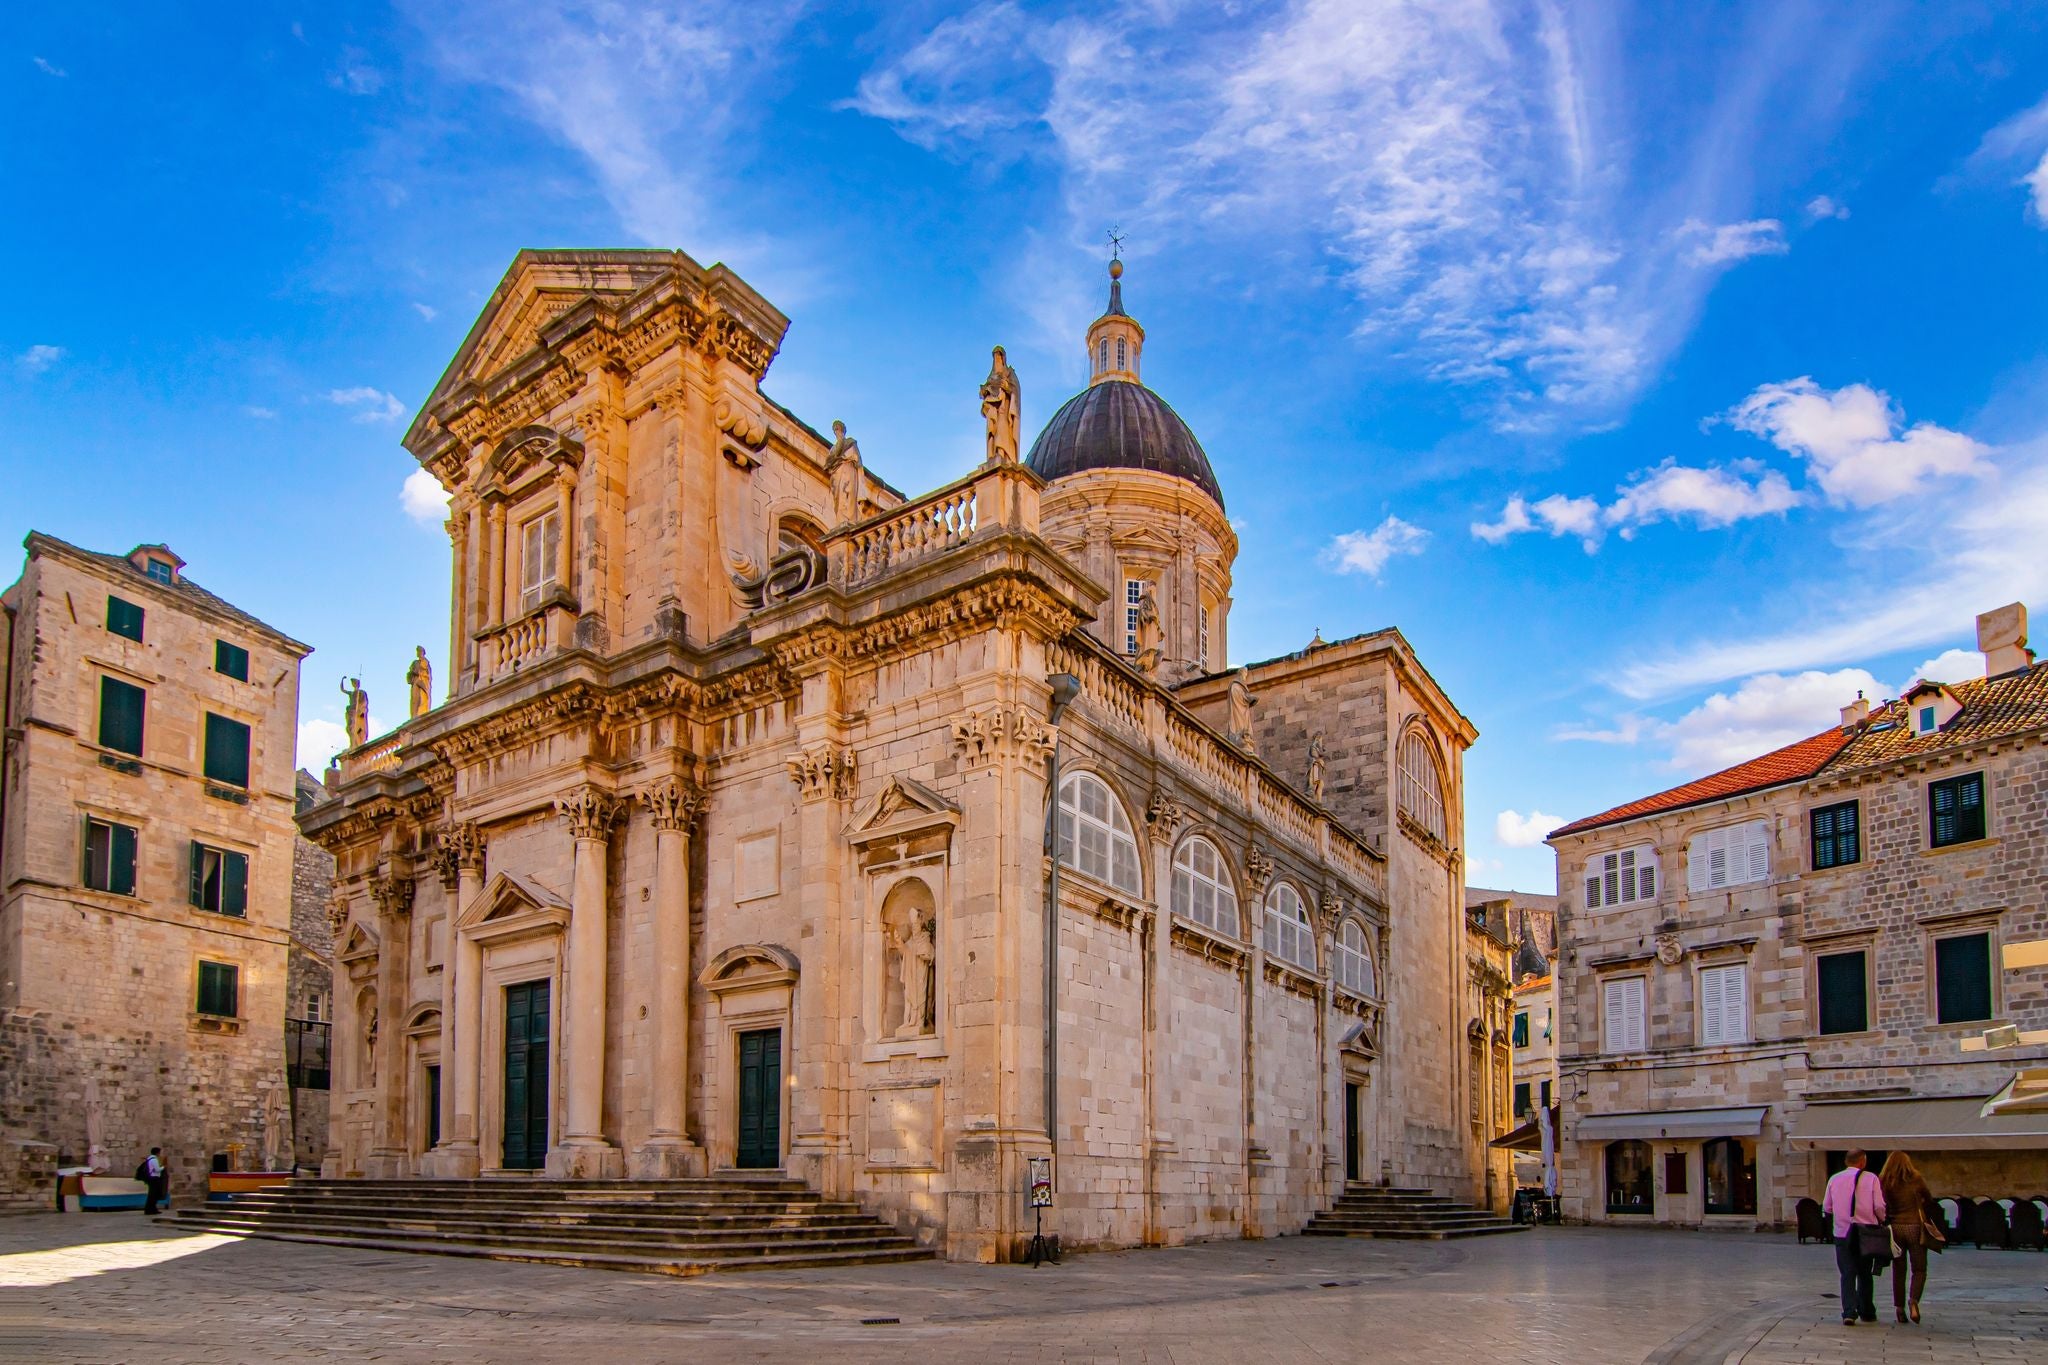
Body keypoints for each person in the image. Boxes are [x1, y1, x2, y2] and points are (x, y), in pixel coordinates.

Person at [1820, 1149, 1887, 1326]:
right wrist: (1880, 1219)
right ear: (1862, 1162)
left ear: (1846, 1161)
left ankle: (1849, 1312)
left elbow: (1827, 1207)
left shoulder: (1834, 1179)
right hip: (1865, 1232)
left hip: (1842, 1232)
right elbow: (1879, 1206)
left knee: (1847, 1273)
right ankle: (1866, 1310)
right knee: (1865, 1272)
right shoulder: (1871, 1178)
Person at [1879, 1151, 1938, 1324]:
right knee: (1919, 1269)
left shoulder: (1884, 1181)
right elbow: (1929, 1198)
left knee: (1899, 1269)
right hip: (1914, 1227)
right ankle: (1913, 1300)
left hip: (1895, 1228)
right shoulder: (1916, 1178)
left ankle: (1898, 1308)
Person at [139, 1146, 168, 1215]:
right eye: (159, 1152)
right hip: (154, 1178)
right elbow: (157, 1169)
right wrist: (164, 1167)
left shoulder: (149, 1159)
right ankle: (151, 1209)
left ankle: (151, 1209)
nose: (160, 1154)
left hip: (151, 1178)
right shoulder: (154, 1160)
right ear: (157, 1153)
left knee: (152, 1195)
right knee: (153, 1195)